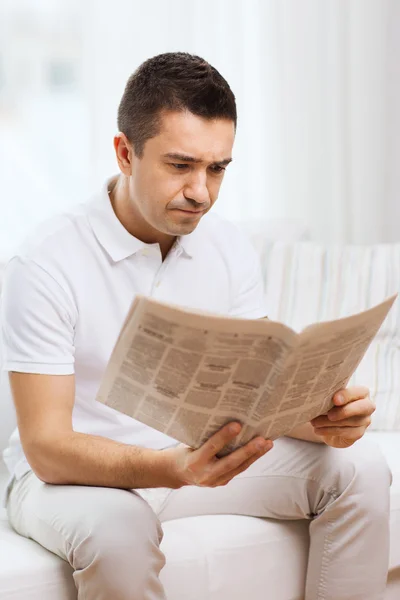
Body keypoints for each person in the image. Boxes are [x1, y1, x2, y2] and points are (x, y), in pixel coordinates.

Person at [1, 52, 391, 600]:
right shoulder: (43, 262)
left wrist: (327, 418)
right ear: (125, 154)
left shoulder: (227, 246)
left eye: (217, 168)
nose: (201, 192)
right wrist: (174, 468)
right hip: (69, 479)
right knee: (118, 533)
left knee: (362, 469)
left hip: (191, 458)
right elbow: (46, 446)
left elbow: (256, 401)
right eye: (180, 165)